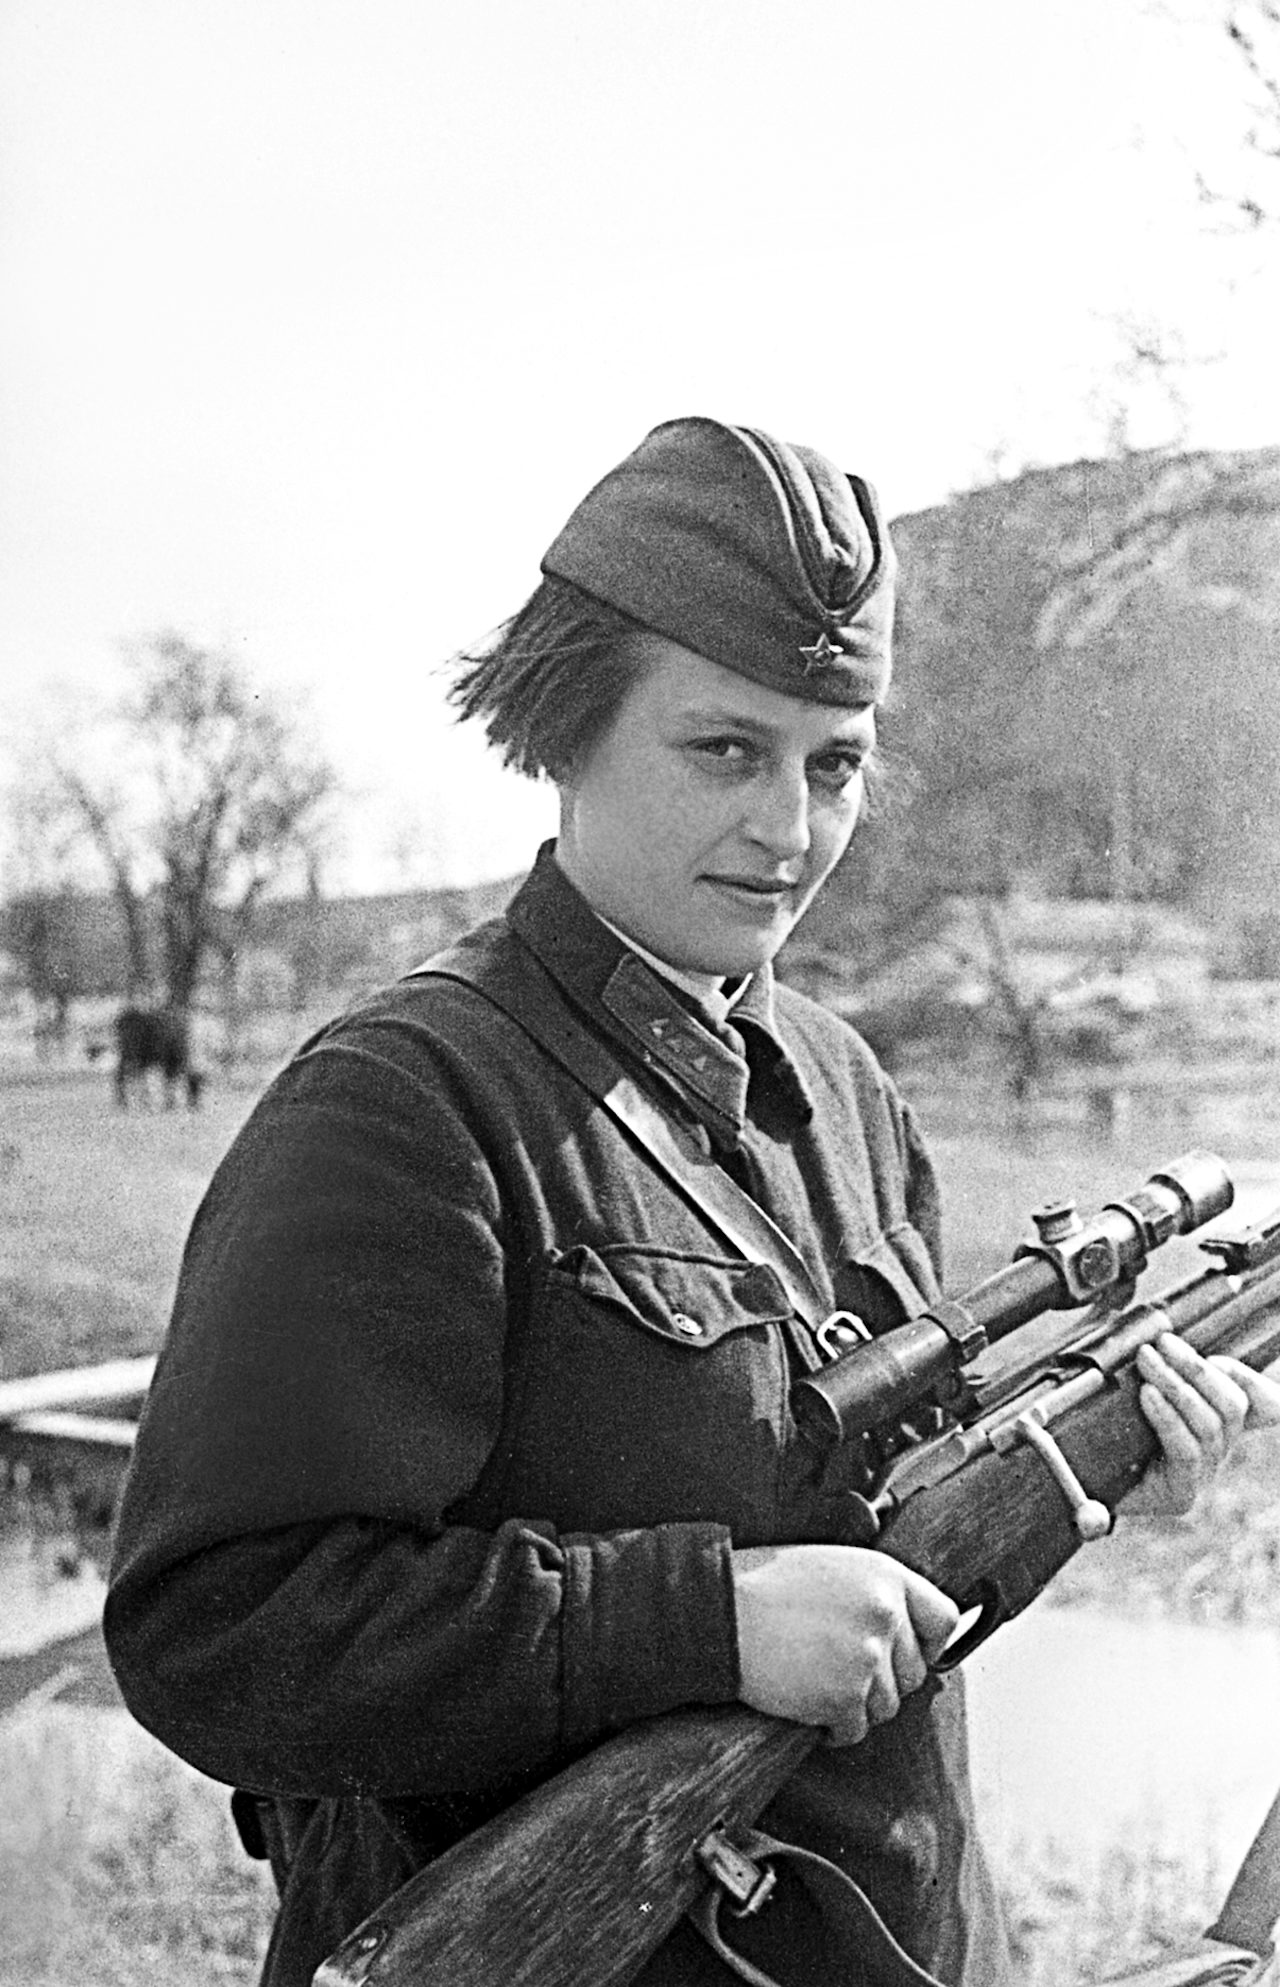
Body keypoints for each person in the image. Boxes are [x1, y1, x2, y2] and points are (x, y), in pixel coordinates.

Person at [103, 416, 1280, 1987]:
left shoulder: (842, 1086)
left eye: (834, 764)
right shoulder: (406, 1104)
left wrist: (1090, 1477)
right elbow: (221, 1632)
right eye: (725, 749)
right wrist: (702, 1623)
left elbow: (871, 1558)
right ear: (566, 729)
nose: (790, 830)